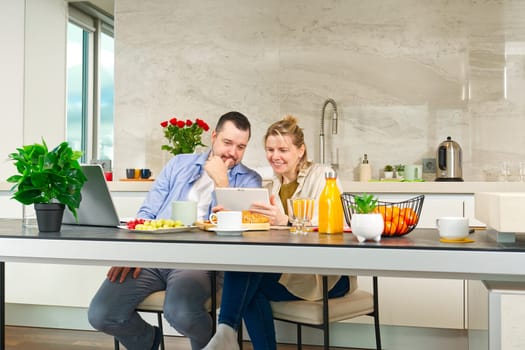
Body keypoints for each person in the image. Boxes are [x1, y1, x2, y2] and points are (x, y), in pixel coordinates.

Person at [88, 111, 262, 350]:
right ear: (213, 137)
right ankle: (148, 341)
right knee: (101, 313)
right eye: (227, 143)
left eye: (241, 147)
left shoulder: (249, 180)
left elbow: (238, 232)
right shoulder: (179, 163)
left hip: (200, 262)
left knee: (181, 312)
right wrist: (131, 251)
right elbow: (147, 213)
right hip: (154, 255)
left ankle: (217, 345)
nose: (233, 152)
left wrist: (223, 183)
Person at [202, 115, 349, 350]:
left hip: (325, 276)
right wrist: (235, 214)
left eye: (283, 149)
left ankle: (225, 333)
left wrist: (288, 221)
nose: (275, 156)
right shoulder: (270, 184)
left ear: (300, 150)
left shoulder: (323, 176)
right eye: (270, 149)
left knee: (250, 286)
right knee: (246, 274)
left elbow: (332, 226)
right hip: (288, 270)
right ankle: (226, 334)